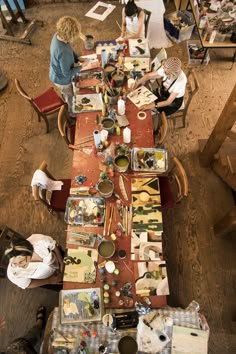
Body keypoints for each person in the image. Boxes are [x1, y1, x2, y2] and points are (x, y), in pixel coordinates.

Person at [49, 16, 88, 117]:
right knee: (69, 97)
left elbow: (69, 49)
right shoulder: (62, 51)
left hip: (55, 71)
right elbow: (67, 73)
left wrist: (77, 58)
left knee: (69, 94)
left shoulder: (58, 35)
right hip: (62, 80)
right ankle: (73, 115)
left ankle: (72, 111)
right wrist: (81, 66)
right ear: (68, 36)